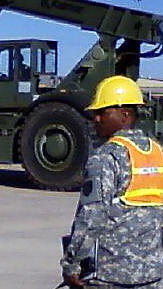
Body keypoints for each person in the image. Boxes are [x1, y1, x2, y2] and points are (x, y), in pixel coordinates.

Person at [61, 75, 163, 288]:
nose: (95, 119)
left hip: (110, 276)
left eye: (102, 113)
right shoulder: (157, 152)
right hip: (152, 276)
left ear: (125, 114)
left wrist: (71, 264)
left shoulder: (106, 158)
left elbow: (91, 217)